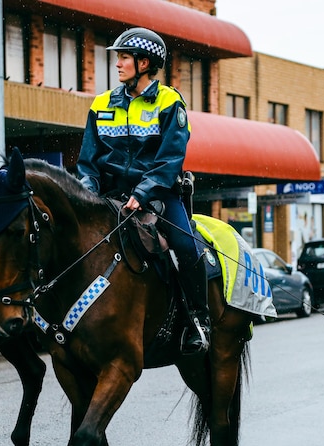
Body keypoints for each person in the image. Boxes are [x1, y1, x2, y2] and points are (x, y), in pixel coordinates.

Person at [76, 27, 209, 354]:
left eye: (123, 57)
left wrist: (144, 192)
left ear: (144, 62)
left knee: (185, 244)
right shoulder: (101, 103)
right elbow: (88, 161)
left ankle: (198, 320)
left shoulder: (170, 102)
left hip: (160, 195)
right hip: (110, 196)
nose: (117, 64)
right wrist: (85, 196)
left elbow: (170, 159)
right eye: (118, 57)